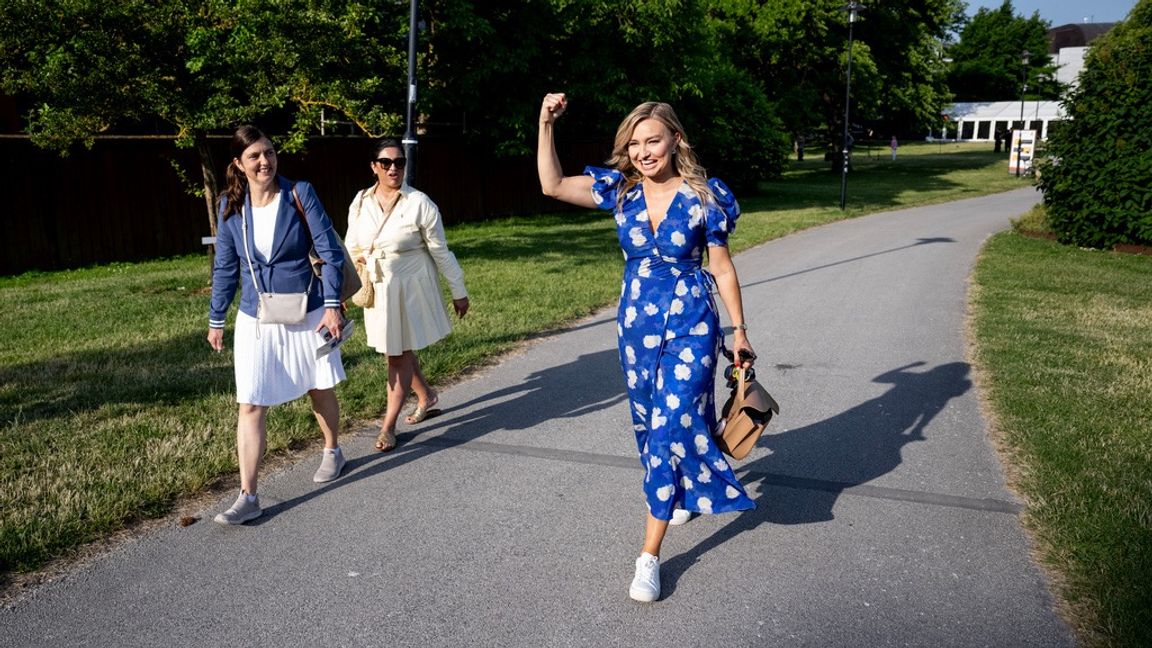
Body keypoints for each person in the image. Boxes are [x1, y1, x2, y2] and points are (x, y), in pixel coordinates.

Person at [537, 93, 757, 602]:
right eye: (634, 143)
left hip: (692, 325)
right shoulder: (620, 191)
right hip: (635, 329)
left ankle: (648, 557)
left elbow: (721, 266)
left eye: (652, 140)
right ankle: (681, 484)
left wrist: (740, 330)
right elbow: (550, 185)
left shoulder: (707, 196)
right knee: (653, 423)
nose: (642, 152)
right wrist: (545, 123)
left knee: (669, 429)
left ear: (676, 139)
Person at [207, 125, 349, 525]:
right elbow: (225, 267)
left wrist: (333, 306)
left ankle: (332, 451)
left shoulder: (299, 192)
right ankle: (249, 496)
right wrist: (216, 318)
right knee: (250, 402)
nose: (264, 161)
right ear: (239, 164)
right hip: (257, 316)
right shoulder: (229, 207)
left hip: (308, 310)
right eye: (254, 156)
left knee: (318, 389)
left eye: (268, 152)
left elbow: (329, 251)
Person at [345, 138, 469, 453]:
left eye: (399, 162)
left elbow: (441, 251)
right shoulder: (360, 202)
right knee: (395, 351)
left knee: (397, 354)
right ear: (374, 167)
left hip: (411, 290)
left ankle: (388, 426)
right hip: (377, 289)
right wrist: (342, 289)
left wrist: (458, 290)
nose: (393, 168)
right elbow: (351, 246)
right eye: (385, 163)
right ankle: (427, 396)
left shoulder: (420, 203)